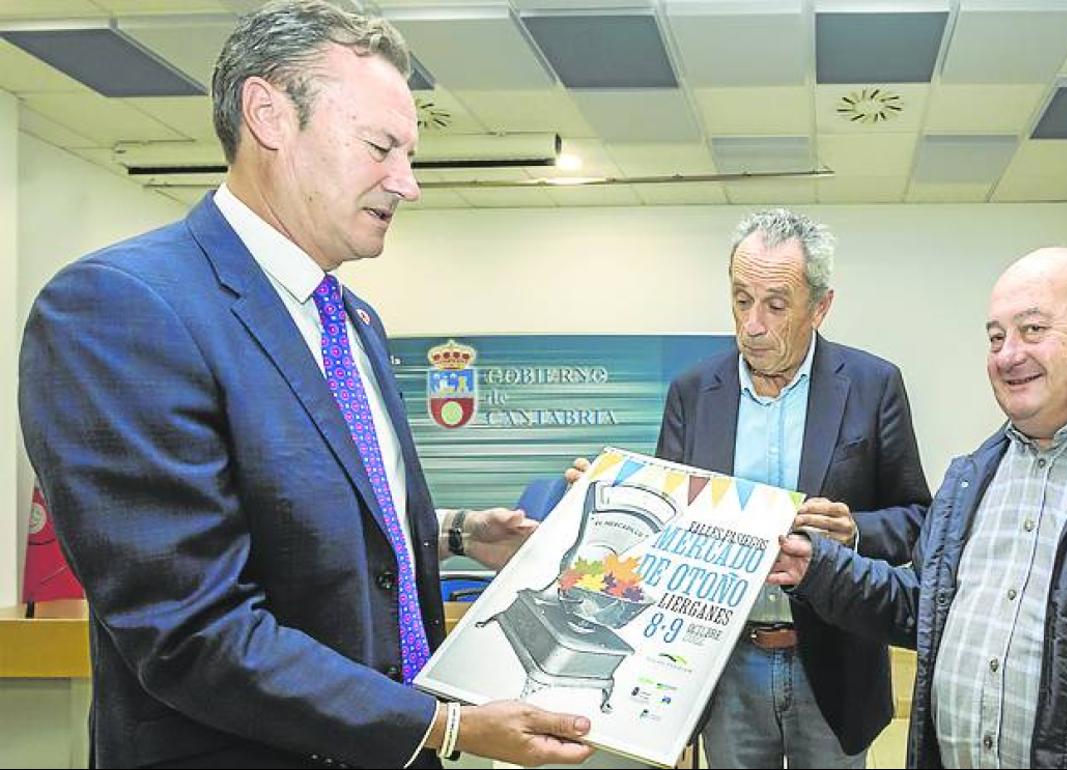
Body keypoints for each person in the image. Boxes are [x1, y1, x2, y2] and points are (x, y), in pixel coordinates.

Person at [17, 2, 594, 767]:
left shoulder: (351, 317)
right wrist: (443, 727)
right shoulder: (121, 307)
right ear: (268, 116)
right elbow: (193, 632)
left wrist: (451, 532)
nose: (408, 184)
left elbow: (287, 504)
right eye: (381, 147)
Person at [770, 246, 1067, 767]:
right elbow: (926, 609)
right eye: (996, 337)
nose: (1008, 354)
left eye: (1033, 330)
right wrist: (818, 568)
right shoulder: (972, 477)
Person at [582, 208, 931, 768]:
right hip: (723, 665)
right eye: (741, 299)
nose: (752, 324)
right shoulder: (694, 393)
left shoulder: (872, 385)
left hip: (835, 662)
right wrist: (609, 497)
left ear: (820, 307)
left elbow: (918, 518)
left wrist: (857, 531)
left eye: (775, 304)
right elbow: (664, 522)